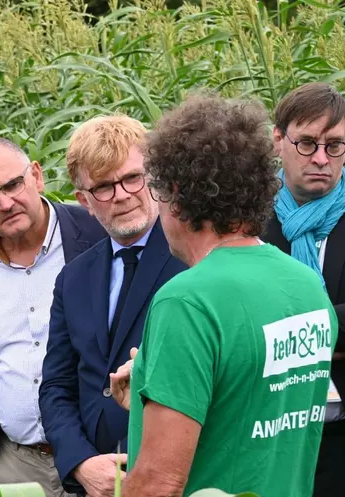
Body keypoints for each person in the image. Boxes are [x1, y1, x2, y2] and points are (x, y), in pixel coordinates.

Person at [110, 95, 338, 497]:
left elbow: (159, 483)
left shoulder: (186, 301)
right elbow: (256, 407)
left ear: (177, 195)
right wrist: (157, 380)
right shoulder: (306, 287)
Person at [0, 137, 107, 497]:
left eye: (13, 184)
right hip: (15, 465)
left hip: (98, 457)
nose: (5, 203)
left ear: (36, 175)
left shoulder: (97, 233)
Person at [38, 115, 185, 497]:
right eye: (103, 187)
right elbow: (57, 385)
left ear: (153, 176)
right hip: (94, 483)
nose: (121, 195)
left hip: (174, 477)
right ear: (83, 200)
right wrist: (81, 463)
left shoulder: (192, 259)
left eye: (132, 178)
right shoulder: (73, 278)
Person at [260, 82, 345, 497]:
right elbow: (243, 318)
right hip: (267, 428)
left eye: (335, 146)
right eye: (307, 143)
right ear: (279, 140)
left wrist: (287, 333)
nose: (321, 159)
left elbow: (267, 326)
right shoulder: (248, 219)